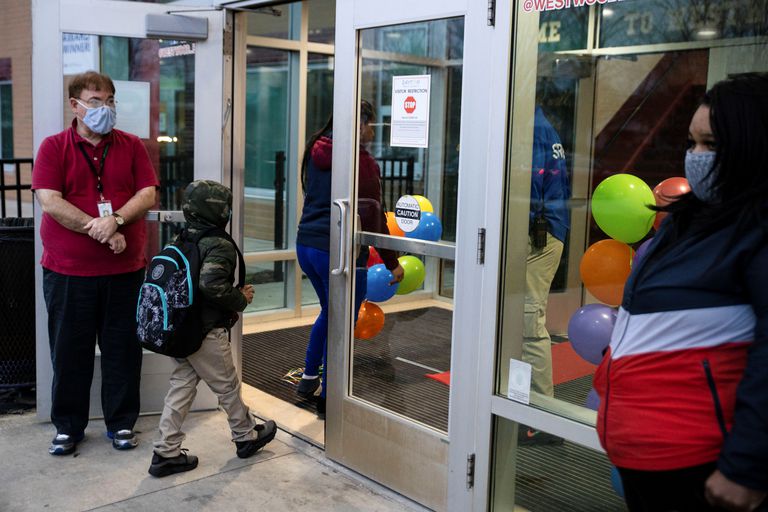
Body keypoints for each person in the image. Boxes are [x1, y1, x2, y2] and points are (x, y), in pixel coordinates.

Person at [594, 73, 768, 512]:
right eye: (691, 143)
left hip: (704, 468)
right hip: (648, 463)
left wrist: (746, 466)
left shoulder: (756, 230)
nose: (696, 157)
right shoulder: (689, 219)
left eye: (711, 144)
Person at [32, 71, 158, 456]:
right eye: (96, 101)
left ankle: (121, 423)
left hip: (125, 271)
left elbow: (147, 193)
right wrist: (101, 229)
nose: (106, 108)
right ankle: (68, 427)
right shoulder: (54, 147)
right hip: (68, 272)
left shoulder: (131, 145)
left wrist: (115, 220)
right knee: (70, 352)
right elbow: (50, 201)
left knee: (123, 351)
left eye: (110, 100)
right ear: (76, 105)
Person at [149, 180, 277, 477]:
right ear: (217, 210)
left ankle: (165, 451)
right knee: (227, 385)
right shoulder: (218, 243)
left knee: (181, 385)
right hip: (204, 330)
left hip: (180, 328)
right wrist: (240, 298)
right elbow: (211, 284)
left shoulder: (181, 237)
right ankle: (246, 436)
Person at [295, 100, 404, 418]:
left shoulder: (317, 148)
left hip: (308, 244)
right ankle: (330, 397)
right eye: (372, 125)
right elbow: (373, 216)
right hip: (339, 251)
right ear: (360, 124)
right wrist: (392, 262)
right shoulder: (361, 161)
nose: (373, 132)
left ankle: (309, 377)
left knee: (331, 314)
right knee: (341, 323)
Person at [519, 106, 570, 446]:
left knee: (528, 321)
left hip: (540, 234)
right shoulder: (541, 126)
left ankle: (541, 418)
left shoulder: (532, 128)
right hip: (544, 230)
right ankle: (520, 405)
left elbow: (528, 186)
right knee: (518, 322)